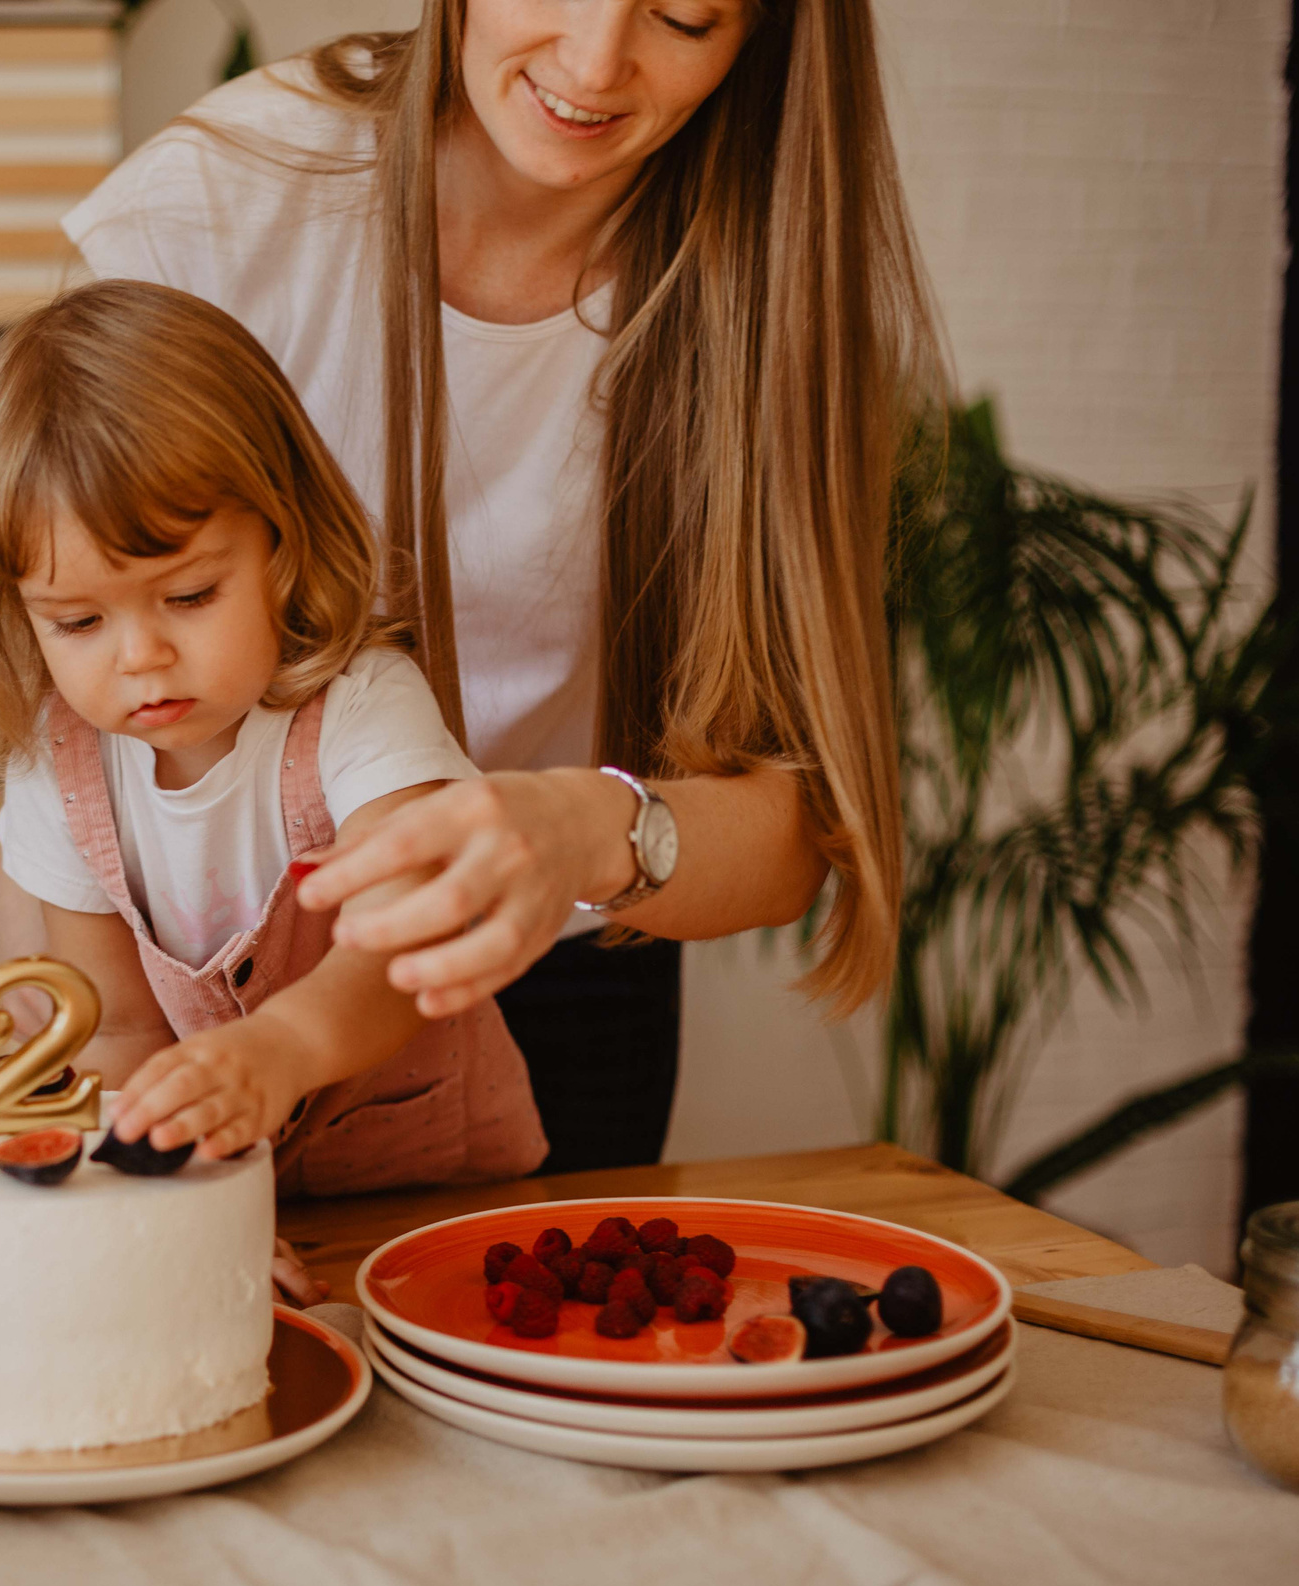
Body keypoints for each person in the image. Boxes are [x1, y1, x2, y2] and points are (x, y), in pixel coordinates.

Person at [62, 0, 939, 1170]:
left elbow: (795, 827)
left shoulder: (766, 299)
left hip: (567, 971)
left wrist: (585, 830)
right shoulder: (211, 216)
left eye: (682, 14)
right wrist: (130, 1079)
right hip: (201, 968)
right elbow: (56, 700)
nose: (592, 62)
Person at [0, 279, 547, 1209]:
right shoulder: (56, 770)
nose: (142, 656)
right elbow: (116, 1035)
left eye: (188, 596)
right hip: (221, 1181)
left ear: (283, 539)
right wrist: (199, 1216)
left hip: (425, 1186)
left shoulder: (362, 705)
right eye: (78, 621)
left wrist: (284, 1048)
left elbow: (399, 948)